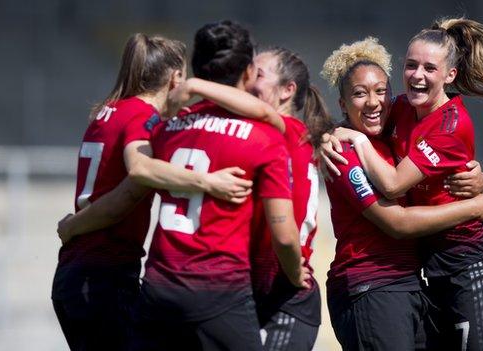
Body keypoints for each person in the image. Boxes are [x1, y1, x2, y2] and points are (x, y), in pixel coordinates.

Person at [327, 19, 483, 350]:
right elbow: (362, 110)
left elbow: (392, 184)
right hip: (429, 271)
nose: (418, 75)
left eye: (430, 68)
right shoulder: (402, 107)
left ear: (450, 75)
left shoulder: (450, 123)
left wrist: (480, 191)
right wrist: (328, 132)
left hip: (469, 261)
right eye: (411, 65)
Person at [130, 20, 308, 351]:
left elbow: (133, 181)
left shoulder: (167, 127)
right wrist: (296, 273)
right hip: (220, 292)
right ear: (249, 72)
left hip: (158, 287)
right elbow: (284, 235)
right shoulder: (265, 136)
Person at [51, 33, 195, 351]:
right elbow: (129, 188)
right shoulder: (144, 118)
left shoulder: (108, 112)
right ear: (175, 78)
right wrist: (73, 226)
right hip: (103, 275)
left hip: (77, 273)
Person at [244, 47, 333, 350]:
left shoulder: (284, 132)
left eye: (257, 74)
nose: (246, 81)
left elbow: (284, 235)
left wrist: (194, 85)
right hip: (255, 291)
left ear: (287, 90)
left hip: (285, 289)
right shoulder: (280, 134)